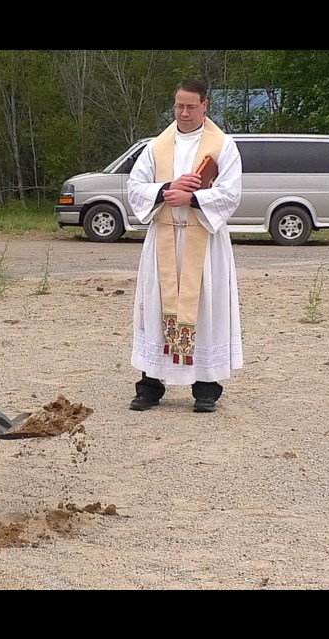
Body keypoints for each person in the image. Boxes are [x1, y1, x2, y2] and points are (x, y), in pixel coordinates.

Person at [126, 78, 244, 414]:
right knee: (155, 307)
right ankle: (150, 385)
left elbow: (231, 193)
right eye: (179, 105)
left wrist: (192, 198)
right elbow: (135, 187)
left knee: (205, 308)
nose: (184, 112)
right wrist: (167, 189)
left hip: (204, 242)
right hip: (163, 238)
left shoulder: (223, 146)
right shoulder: (157, 146)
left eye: (192, 106)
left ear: (206, 105)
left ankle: (206, 387)